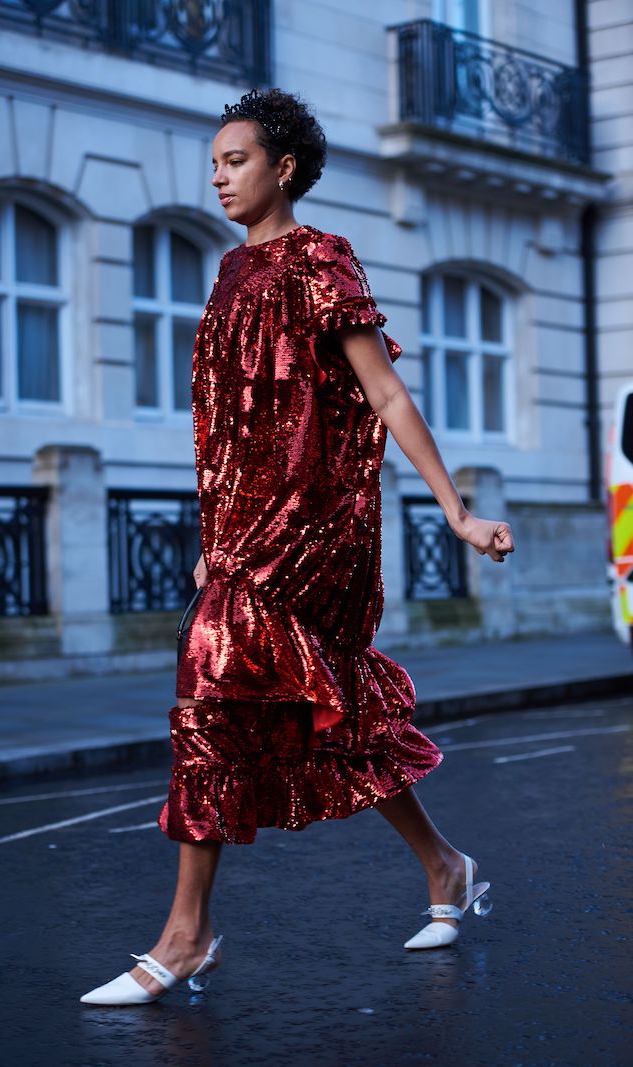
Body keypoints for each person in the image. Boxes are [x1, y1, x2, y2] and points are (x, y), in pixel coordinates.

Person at [80, 88, 514, 1006]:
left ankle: (188, 935)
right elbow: (229, 426)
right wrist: (218, 533)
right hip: (249, 528)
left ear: (283, 168)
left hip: (319, 521)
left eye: (235, 160)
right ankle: (446, 866)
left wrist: (457, 511)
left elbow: (386, 396)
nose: (219, 176)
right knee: (327, 707)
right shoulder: (230, 276)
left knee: (208, 679)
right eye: (215, 163)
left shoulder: (322, 260)